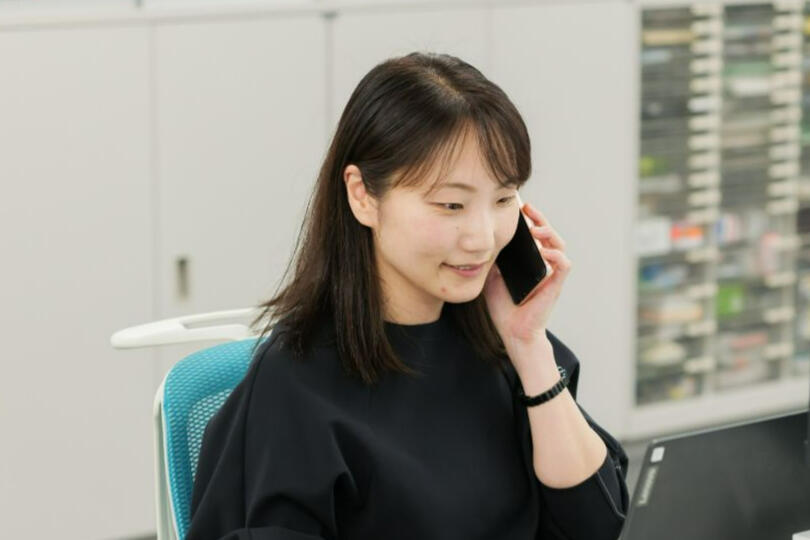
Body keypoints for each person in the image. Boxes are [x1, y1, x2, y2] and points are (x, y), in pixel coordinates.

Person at [186, 51, 629, 540]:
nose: (482, 238)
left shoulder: (503, 348)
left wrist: (530, 346)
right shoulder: (295, 386)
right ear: (363, 196)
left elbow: (598, 525)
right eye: (451, 205)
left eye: (503, 199)